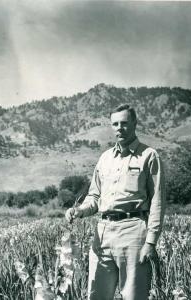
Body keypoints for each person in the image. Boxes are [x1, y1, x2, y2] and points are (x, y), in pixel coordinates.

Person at [65, 104, 165, 300]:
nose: (120, 128)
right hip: (102, 233)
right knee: (96, 295)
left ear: (135, 124)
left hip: (133, 232)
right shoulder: (104, 158)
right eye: (115, 124)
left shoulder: (149, 156)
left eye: (124, 123)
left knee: (133, 296)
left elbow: (157, 202)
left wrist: (151, 242)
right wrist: (79, 211)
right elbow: (94, 197)